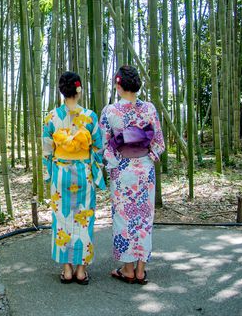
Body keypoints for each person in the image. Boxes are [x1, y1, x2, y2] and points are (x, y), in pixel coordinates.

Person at [99, 65, 164, 285]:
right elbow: (158, 143)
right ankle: (141, 270)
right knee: (145, 218)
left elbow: (104, 145)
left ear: (118, 85)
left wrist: (116, 162)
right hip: (145, 170)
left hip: (123, 170)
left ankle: (127, 269)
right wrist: (147, 158)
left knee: (123, 218)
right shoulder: (149, 109)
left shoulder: (110, 112)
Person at [42, 72, 106, 285]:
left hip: (61, 173)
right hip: (82, 172)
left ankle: (67, 269)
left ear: (62, 91)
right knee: (84, 218)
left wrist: (49, 172)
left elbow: (47, 150)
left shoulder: (51, 117)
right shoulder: (90, 116)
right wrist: (94, 168)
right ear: (79, 90)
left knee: (61, 218)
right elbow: (98, 146)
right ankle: (81, 270)